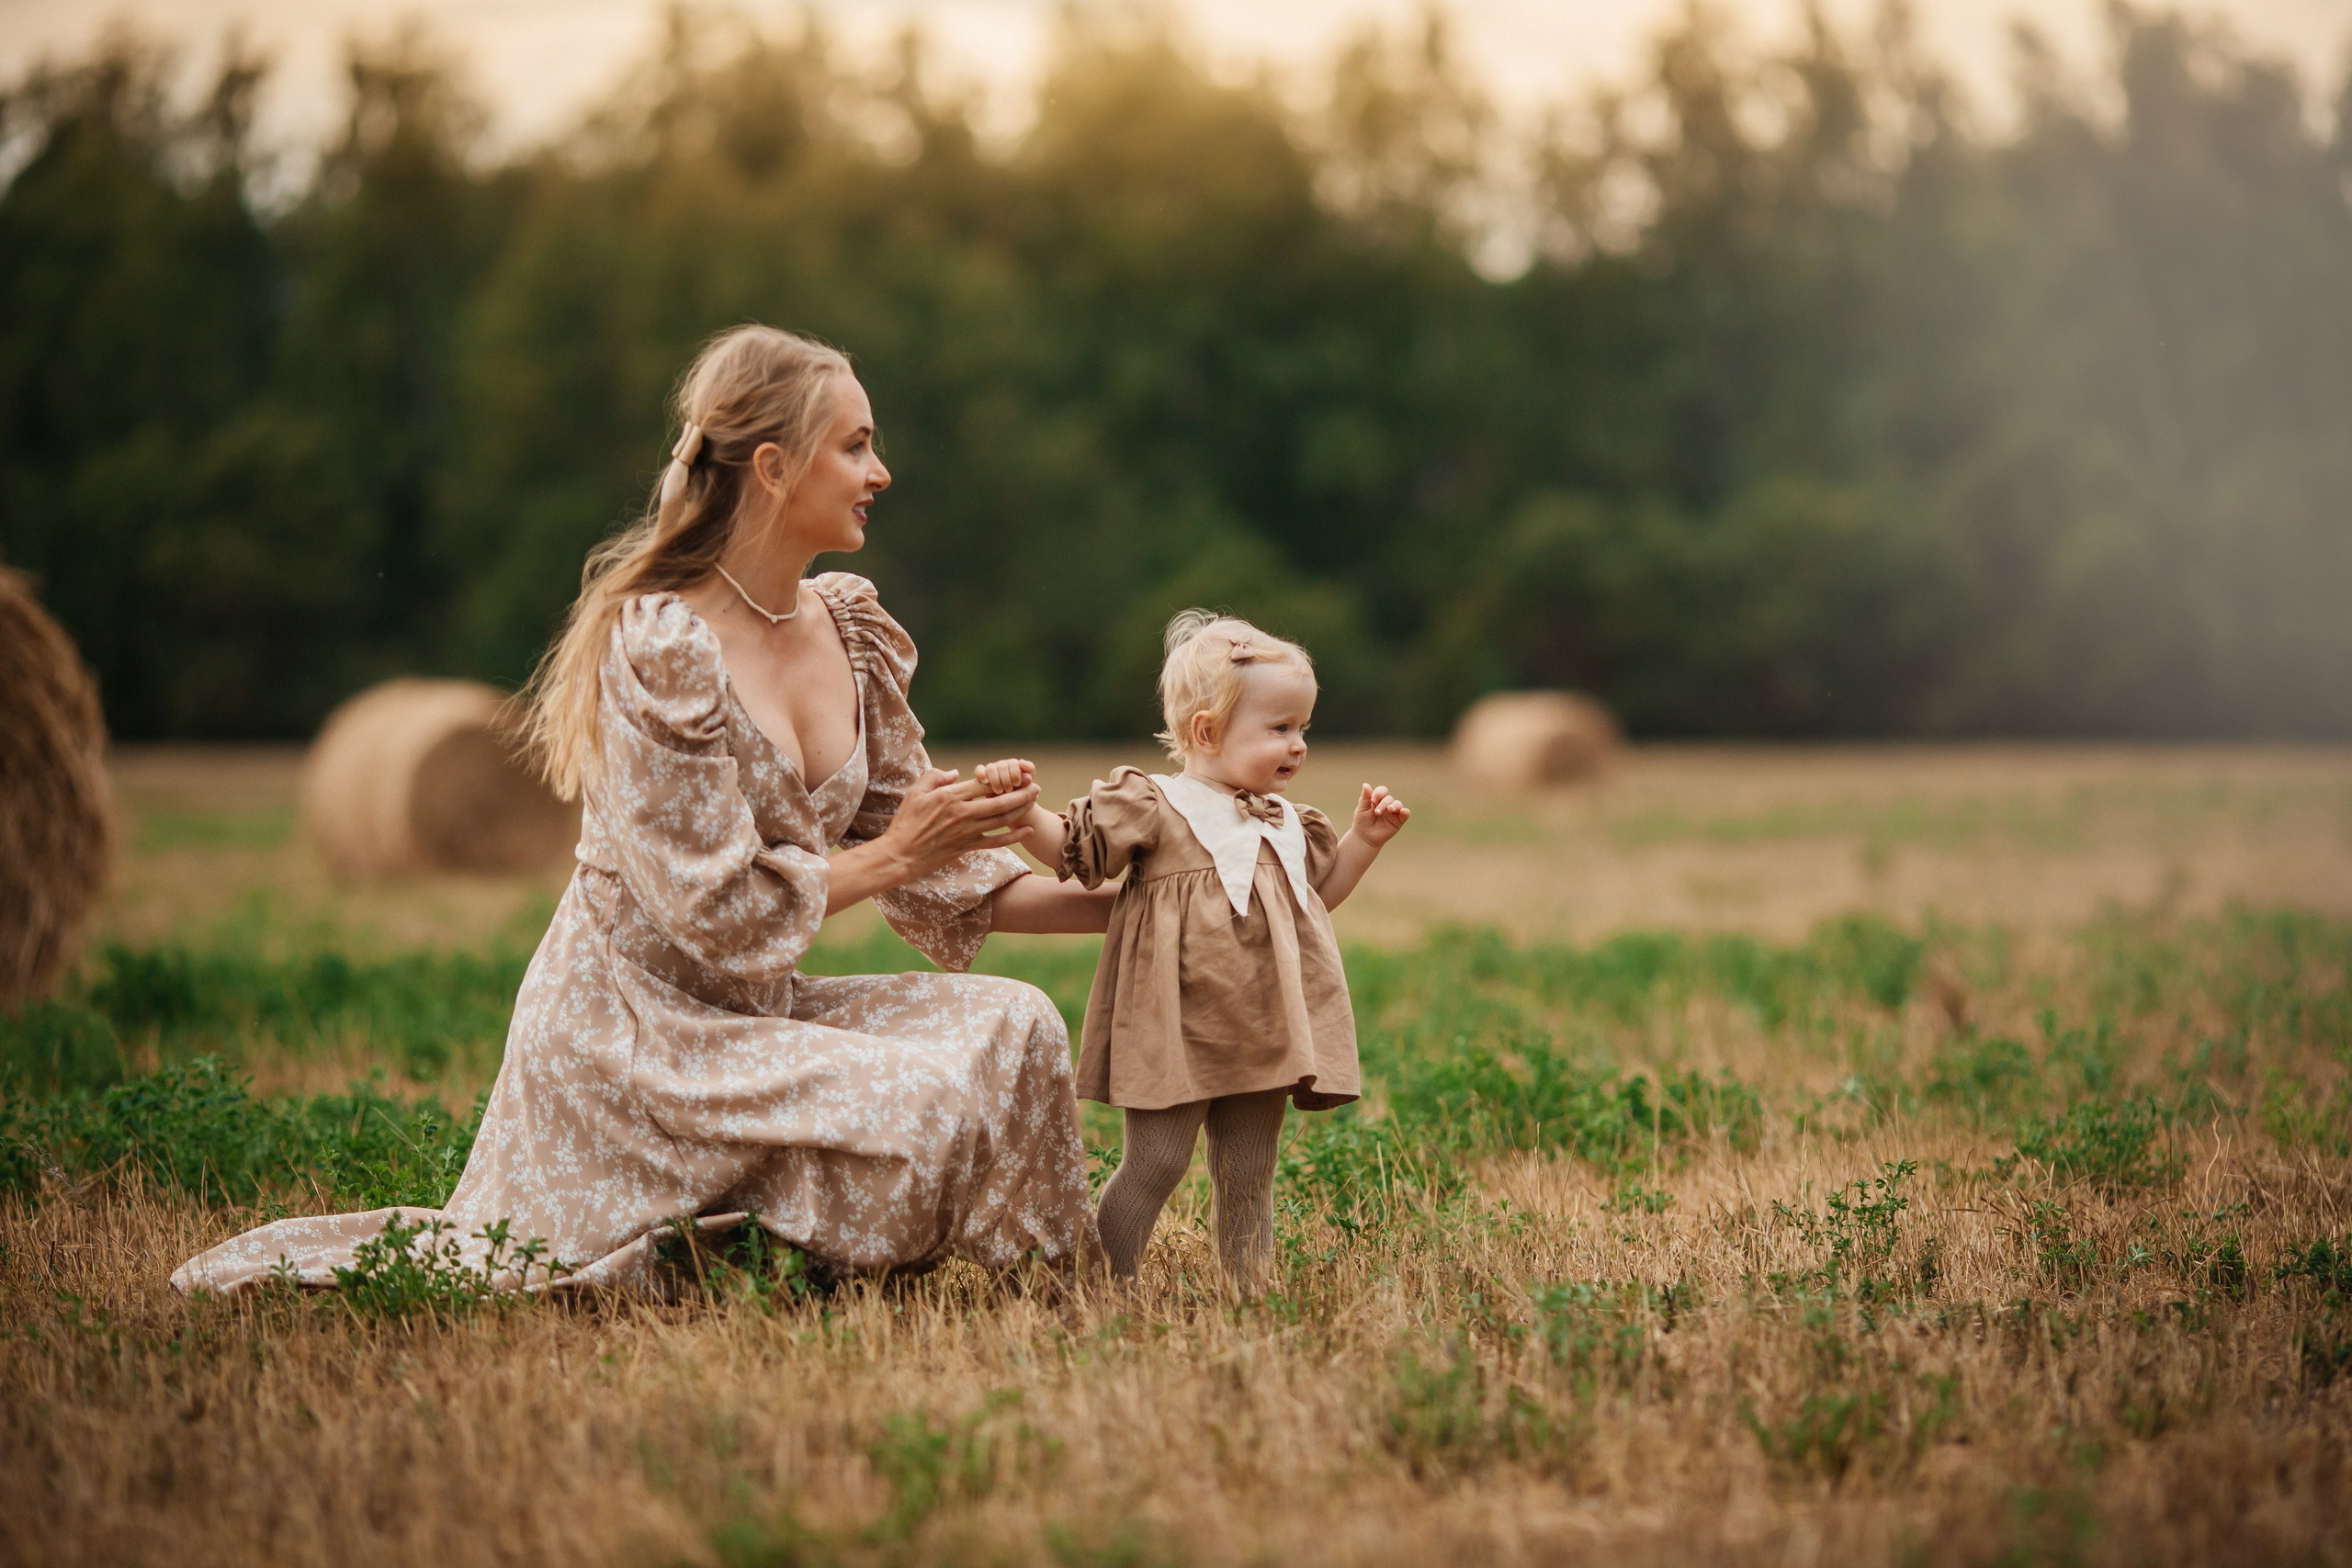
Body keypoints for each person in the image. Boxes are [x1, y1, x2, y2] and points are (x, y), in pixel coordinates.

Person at [174, 324, 1116, 1296]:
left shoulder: (848, 627)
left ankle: (1055, 1288)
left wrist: (1127, 905)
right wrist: (900, 857)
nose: (880, 470)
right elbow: (716, 914)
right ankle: (747, 1261)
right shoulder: (663, 649)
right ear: (773, 467)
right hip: (634, 1038)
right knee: (921, 1106)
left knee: (1018, 1025)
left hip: (757, 1016)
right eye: (856, 444)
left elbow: (942, 864)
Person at [977, 611, 1410, 1292]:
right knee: (1155, 1162)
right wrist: (1020, 808)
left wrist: (1364, 842)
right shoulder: (1156, 804)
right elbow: (1070, 848)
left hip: (1264, 1025)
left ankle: (1251, 1289)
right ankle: (1101, 1285)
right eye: (1280, 728)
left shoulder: (1291, 822)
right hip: (1174, 1026)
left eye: (1304, 728)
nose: (1298, 744)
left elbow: (1316, 901)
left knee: (1250, 1167)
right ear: (1207, 731)